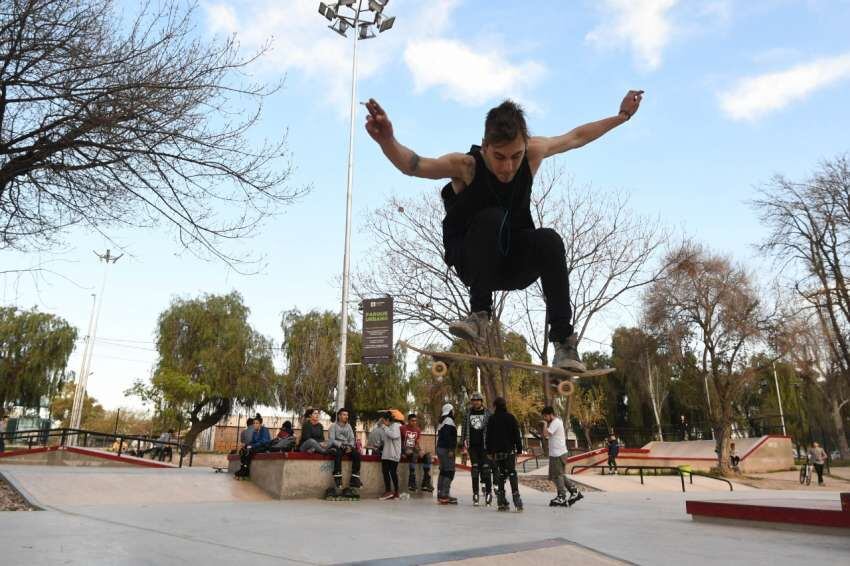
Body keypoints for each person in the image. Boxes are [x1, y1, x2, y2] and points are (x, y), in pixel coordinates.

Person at [364, 91, 643, 372]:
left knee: (550, 240)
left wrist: (622, 117)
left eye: (516, 156)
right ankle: (479, 315)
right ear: (484, 147)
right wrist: (387, 141)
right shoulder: (465, 166)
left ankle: (564, 343)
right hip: (471, 261)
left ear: (525, 145)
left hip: (512, 264)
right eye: (499, 157)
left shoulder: (534, 151)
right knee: (491, 217)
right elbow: (414, 165)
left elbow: (577, 137)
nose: (508, 167)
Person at [484, 397, 523, 512]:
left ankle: (501, 501)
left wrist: (489, 451)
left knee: (501, 474)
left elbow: (488, 436)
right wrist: (519, 449)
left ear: (495, 406)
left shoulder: (492, 419)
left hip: (497, 452)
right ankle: (516, 499)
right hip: (509, 451)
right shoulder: (511, 418)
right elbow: (516, 434)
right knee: (511, 473)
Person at [542, 406, 582, 507]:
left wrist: (544, 424)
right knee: (559, 475)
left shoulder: (555, 422)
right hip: (557, 453)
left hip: (558, 454)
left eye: (545, 416)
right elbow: (546, 436)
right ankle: (574, 491)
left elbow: (546, 434)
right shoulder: (555, 422)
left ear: (551, 414)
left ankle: (562, 496)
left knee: (558, 475)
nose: (545, 418)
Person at [461, 392, 492, 506]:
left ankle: (488, 492)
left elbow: (491, 430)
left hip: (485, 446)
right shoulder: (468, 413)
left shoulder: (487, 413)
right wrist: (462, 445)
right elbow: (464, 429)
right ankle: (475, 493)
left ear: (481, 401)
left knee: (485, 469)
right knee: (474, 469)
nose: (475, 402)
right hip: (472, 445)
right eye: (473, 401)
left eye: (477, 400)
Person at [326, 408, 362, 497]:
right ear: (339, 416)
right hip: (336, 446)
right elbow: (332, 439)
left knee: (357, 454)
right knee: (338, 454)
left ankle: (354, 478)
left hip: (347, 446)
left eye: (347, 415)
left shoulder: (349, 426)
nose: (346, 416)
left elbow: (352, 439)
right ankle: (337, 477)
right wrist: (341, 445)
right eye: (344, 415)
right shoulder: (333, 426)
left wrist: (350, 446)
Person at [400, 413, 433, 493]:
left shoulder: (417, 430)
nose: (414, 422)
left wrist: (421, 450)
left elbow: (417, 443)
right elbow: (398, 442)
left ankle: (425, 482)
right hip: (405, 450)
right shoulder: (402, 428)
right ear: (408, 421)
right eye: (412, 421)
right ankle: (411, 482)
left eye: (415, 421)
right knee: (414, 455)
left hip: (413, 450)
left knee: (428, 456)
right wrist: (402, 451)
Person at [436, 403, 458, 505]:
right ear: (450, 411)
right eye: (452, 410)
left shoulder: (442, 421)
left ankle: (440, 494)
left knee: (443, 471)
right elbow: (448, 437)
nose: (454, 412)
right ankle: (445, 494)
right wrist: (450, 450)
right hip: (446, 450)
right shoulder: (449, 421)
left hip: (440, 449)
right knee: (449, 471)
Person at [378, 410, 402, 500]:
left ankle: (394, 491)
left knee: (392, 472)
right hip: (387, 454)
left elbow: (394, 435)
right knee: (385, 472)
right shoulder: (390, 426)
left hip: (393, 454)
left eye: (383, 420)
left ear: (388, 419)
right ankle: (389, 491)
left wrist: (384, 427)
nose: (382, 422)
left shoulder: (396, 425)